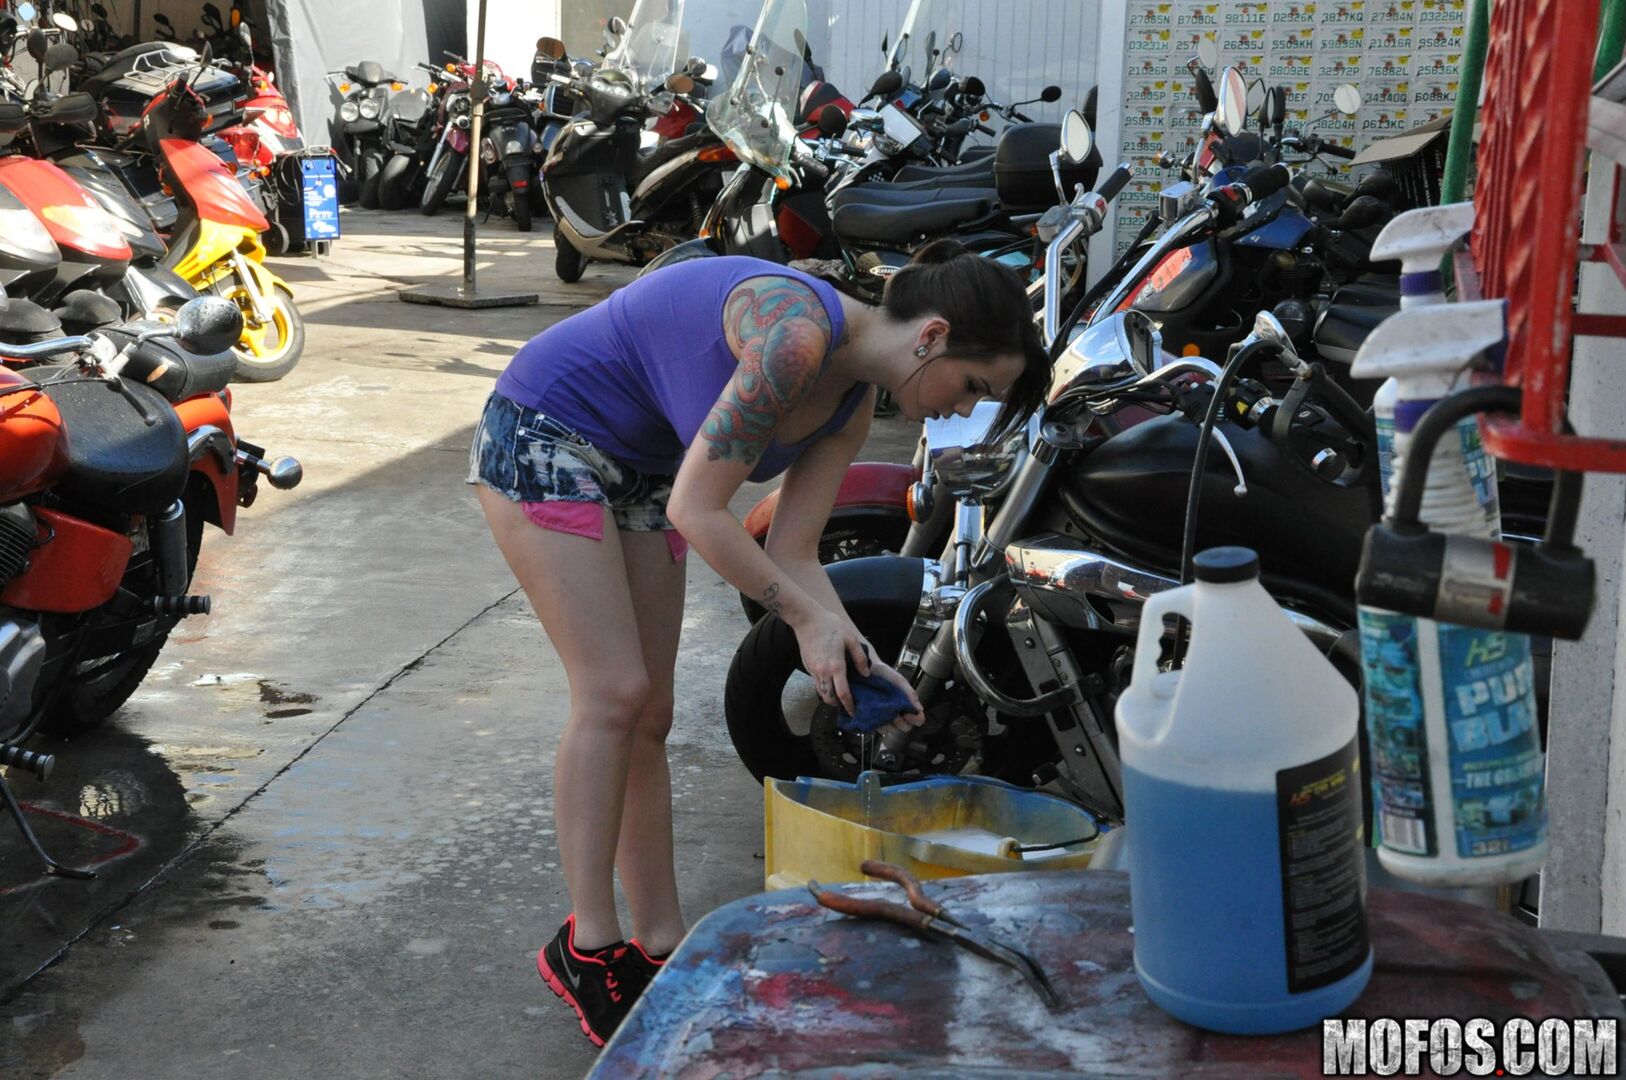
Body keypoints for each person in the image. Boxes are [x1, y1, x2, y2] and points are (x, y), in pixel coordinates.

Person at [468, 239, 1050, 1046]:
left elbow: (794, 554)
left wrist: (855, 650)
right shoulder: (795, 337)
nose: (963, 409)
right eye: (974, 386)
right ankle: (587, 946)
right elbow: (700, 512)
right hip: (546, 431)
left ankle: (661, 941)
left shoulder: (851, 404)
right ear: (932, 337)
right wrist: (805, 622)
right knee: (613, 695)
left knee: (651, 712)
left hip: (642, 468)